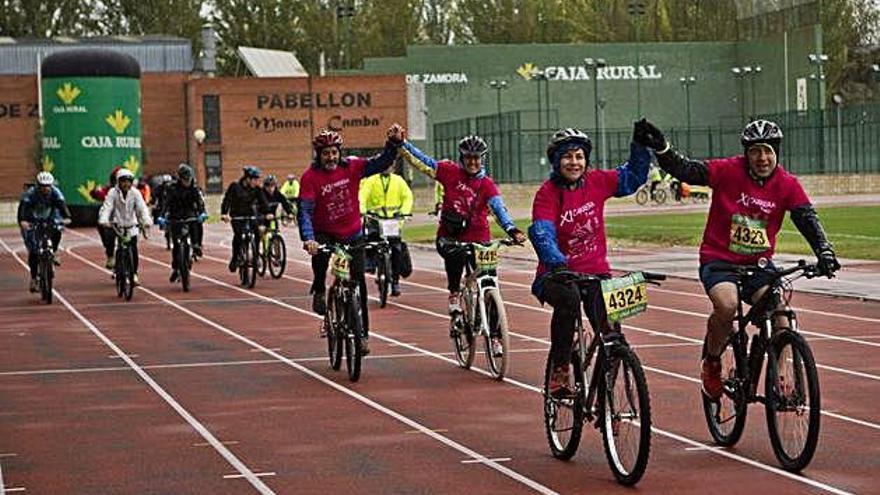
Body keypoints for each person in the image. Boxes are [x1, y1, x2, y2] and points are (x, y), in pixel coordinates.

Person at [634, 118, 840, 399]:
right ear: (746, 153)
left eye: (767, 151)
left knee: (781, 317)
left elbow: (806, 218)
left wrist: (824, 251)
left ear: (776, 153)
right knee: (727, 305)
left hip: (759, 266)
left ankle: (779, 377)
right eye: (755, 151)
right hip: (719, 261)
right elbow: (687, 170)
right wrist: (662, 148)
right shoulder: (728, 170)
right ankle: (713, 360)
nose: (762, 158)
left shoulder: (787, 184)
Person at [529, 125, 653, 397]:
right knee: (569, 301)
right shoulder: (547, 193)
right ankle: (561, 370)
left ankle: (606, 389)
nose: (574, 162)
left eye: (579, 156)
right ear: (556, 160)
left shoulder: (597, 181)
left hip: (595, 272)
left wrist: (640, 146)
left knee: (611, 331)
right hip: (556, 274)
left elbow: (632, 177)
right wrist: (556, 261)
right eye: (567, 156)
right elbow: (541, 232)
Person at [299, 125, 405, 355]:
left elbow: (381, 162)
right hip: (324, 232)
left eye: (334, 152)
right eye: (325, 153)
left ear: (340, 151)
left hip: (353, 233)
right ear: (319, 154)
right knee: (319, 259)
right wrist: (309, 239)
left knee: (359, 286)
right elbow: (305, 211)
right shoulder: (310, 177)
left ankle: (363, 335)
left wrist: (393, 143)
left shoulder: (353, 166)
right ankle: (318, 288)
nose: (331, 157)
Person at [399, 135, 527, 315]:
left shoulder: (487, 184)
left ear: (483, 159)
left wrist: (511, 229)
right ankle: (454, 293)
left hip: (480, 238)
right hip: (451, 236)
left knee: (490, 282)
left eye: (477, 158)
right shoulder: (449, 172)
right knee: (455, 259)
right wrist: (402, 143)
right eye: (468, 158)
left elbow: (499, 209)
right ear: (462, 158)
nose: (472, 162)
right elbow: (423, 161)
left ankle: (497, 336)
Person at [359, 156, 414, 296]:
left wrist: (404, 212)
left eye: (390, 165)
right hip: (375, 220)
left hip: (393, 221)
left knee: (396, 248)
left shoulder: (399, 181)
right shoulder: (370, 180)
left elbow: (407, 197)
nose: (386, 167)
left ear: (393, 167)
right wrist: (362, 210)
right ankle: (370, 265)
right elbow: (362, 196)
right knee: (370, 241)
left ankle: (395, 282)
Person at [17, 172, 72, 292]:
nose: (45, 188)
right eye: (42, 186)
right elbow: (22, 210)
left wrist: (66, 218)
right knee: (34, 250)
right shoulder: (30, 194)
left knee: (57, 230)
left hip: (50, 218)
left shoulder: (56, 193)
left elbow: (63, 207)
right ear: (37, 185)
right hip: (32, 220)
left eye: (48, 186)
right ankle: (33, 278)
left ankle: (55, 251)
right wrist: (23, 221)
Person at [98, 168, 152, 285]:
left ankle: (134, 274)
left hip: (131, 225)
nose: (126, 184)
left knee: (133, 248)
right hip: (117, 224)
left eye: (128, 181)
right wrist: (104, 220)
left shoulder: (135, 193)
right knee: (118, 246)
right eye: (123, 181)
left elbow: (142, 208)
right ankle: (117, 265)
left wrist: (146, 221)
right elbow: (107, 207)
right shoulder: (113, 192)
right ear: (118, 182)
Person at [220, 166, 272, 272]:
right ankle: (235, 258)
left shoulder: (256, 189)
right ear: (247, 179)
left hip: (250, 215)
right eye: (255, 179)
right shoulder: (235, 187)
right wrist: (225, 213)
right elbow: (227, 200)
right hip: (237, 216)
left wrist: (268, 212)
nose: (257, 182)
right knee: (238, 235)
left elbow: (263, 201)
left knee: (257, 233)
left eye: (258, 179)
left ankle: (256, 257)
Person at [162, 163, 207, 283]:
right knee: (176, 244)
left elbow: (199, 202)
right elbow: (166, 203)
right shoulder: (172, 189)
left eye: (189, 179)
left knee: (197, 223)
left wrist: (202, 213)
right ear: (180, 179)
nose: (187, 182)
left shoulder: (194, 189)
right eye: (185, 179)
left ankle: (196, 244)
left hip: (189, 214)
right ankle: (176, 267)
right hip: (175, 215)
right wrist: (162, 216)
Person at [91, 166, 122, 267]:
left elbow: (139, 205)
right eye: (117, 180)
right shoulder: (109, 190)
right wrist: (95, 192)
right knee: (108, 234)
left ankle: (133, 272)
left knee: (132, 242)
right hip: (111, 218)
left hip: (126, 219)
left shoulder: (132, 191)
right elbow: (100, 194)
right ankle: (110, 255)